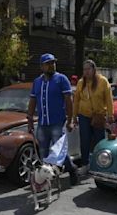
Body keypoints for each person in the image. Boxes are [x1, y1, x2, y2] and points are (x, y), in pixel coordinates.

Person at [27, 53, 79, 186]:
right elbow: (33, 101)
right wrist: (30, 120)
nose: (51, 65)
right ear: (42, 66)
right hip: (42, 124)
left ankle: (71, 168)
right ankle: (45, 180)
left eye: (53, 63)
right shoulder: (37, 82)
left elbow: (69, 100)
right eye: (48, 63)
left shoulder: (61, 79)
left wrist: (70, 120)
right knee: (44, 153)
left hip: (57, 122)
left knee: (58, 152)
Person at [73, 59, 114, 175]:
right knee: (84, 140)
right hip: (84, 115)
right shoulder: (81, 83)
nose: (86, 72)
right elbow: (76, 101)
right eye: (84, 69)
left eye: (88, 69)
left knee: (99, 141)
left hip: (98, 115)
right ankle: (85, 165)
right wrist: (74, 117)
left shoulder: (103, 81)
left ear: (94, 70)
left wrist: (110, 115)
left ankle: (99, 165)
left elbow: (109, 99)